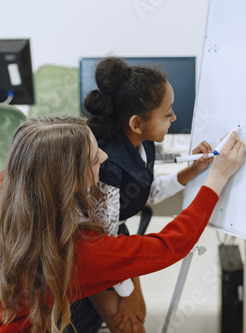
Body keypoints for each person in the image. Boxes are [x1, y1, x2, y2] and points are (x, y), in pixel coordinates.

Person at [0, 115, 245, 333]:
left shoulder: (5, 189)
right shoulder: (76, 251)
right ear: (68, 178)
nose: (105, 157)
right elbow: (168, 246)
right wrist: (216, 179)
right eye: (94, 160)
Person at [83, 57, 214, 332]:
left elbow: (145, 193)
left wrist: (193, 170)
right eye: (167, 114)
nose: (175, 118)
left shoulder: (143, 144)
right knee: (130, 323)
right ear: (136, 123)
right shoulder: (106, 166)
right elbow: (100, 248)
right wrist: (129, 289)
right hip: (86, 257)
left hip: (112, 245)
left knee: (136, 315)